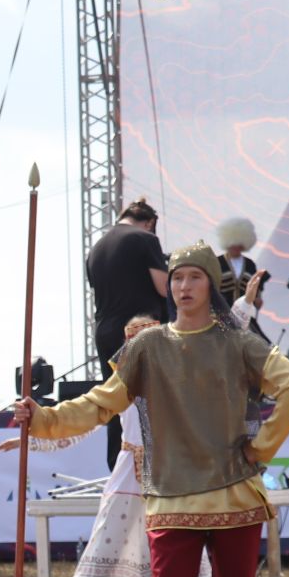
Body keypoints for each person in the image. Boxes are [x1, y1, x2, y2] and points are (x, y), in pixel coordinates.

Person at [12, 244, 289, 577]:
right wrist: (43, 417)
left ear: (210, 285)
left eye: (195, 277)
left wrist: (260, 449)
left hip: (234, 495)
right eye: (177, 278)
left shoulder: (238, 342)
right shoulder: (147, 347)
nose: (184, 286)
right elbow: (98, 404)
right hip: (172, 498)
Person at [0, 316, 217, 577]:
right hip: (129, 478)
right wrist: (28, 439)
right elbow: (80, 426)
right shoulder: (121, 388)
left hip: (169, 481)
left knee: (169, 559)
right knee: (101, 551)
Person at [86, 198, 170, 468]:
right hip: (140, 330)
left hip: (105, 331)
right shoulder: (145, 239)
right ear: (150, 223)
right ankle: (151, 466)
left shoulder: (96, 248)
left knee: (115, 400)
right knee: (149, 400)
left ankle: (118, 465)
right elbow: (164, 288)